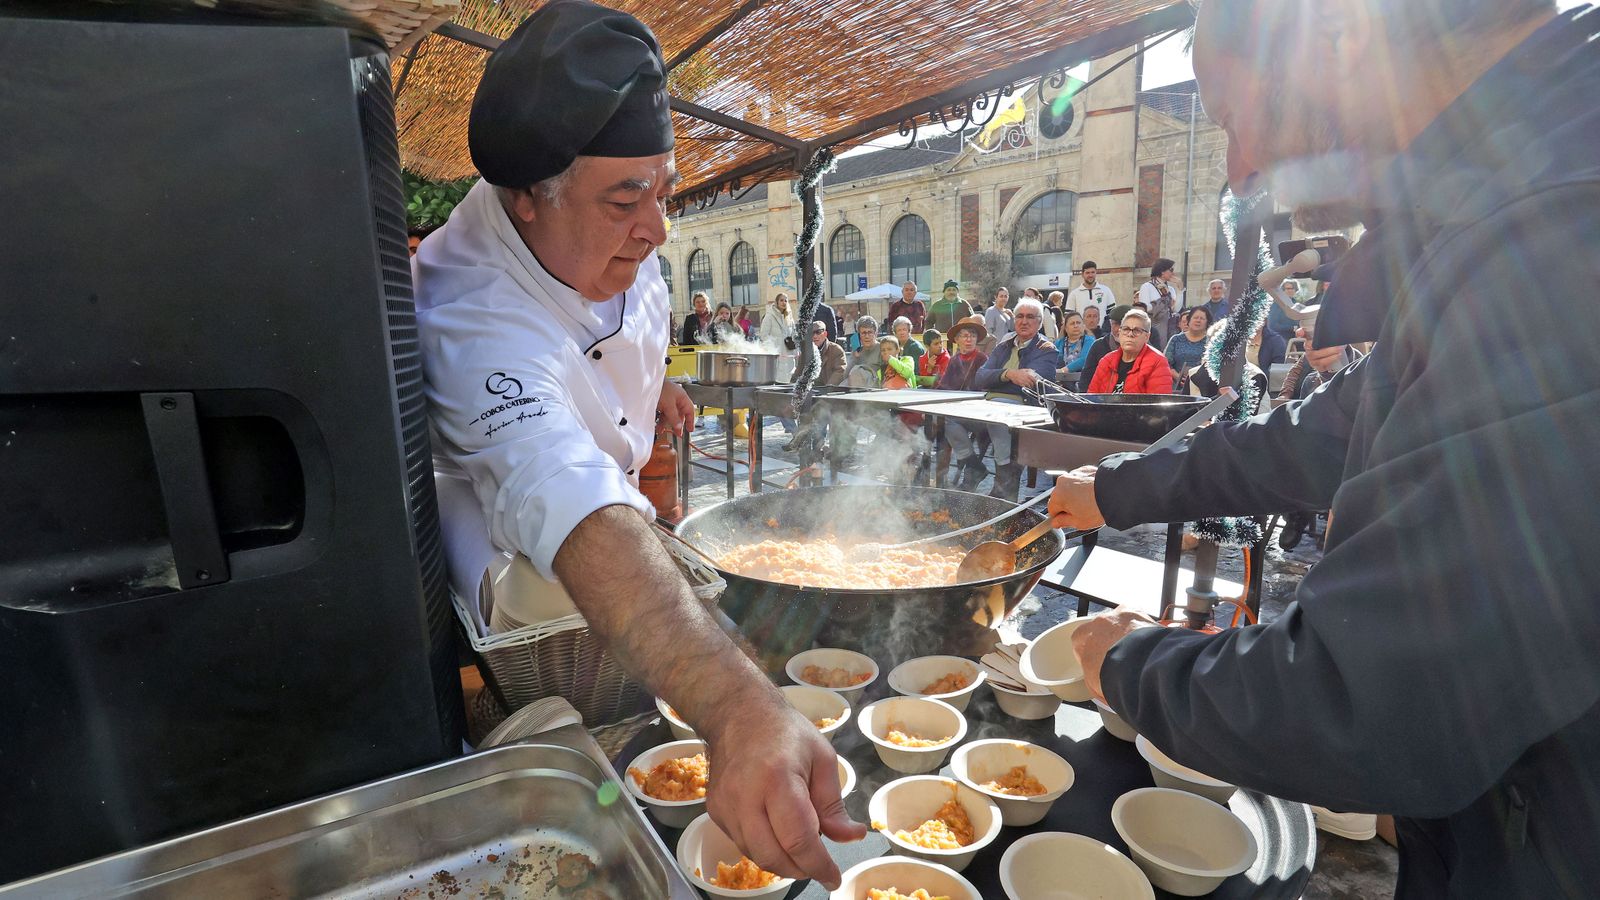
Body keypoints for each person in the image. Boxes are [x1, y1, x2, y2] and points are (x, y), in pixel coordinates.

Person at [1048, 1, 1600, 896]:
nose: (1242, 170)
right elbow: (1322, 431)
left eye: (1233, 117)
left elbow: (1380, 700)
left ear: (1341, 35)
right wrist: (1115, 491)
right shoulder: (1505, 196)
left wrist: (1127, 661)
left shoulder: (1559, 225)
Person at [413, 3, 860, 888]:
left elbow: (628, 329)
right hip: (533, 622)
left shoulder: (616, 233)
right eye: (627, 198)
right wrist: (737, 711)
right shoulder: (466, 312)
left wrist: (657, 390)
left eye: (665, 187)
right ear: (525, 200)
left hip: (632, 580)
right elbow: (560, 484)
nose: (657, 228)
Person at [948, 298, 1059, 498]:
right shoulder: (1004, 345)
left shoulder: (1046, 349)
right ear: (1014, 320)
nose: (1024, 321)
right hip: (988, 403)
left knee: (998, 417)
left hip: (1021, 407)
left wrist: (999, 377)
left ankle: (1003, 479)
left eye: (1030, 317)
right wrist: (1010, 374)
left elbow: (1033, 382)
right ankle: (972, 464)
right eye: (1020, 316)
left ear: (1040, 322)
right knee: (946, 417)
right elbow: (981, 377)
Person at [1086, 307, 1172, 394]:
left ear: (1147, 337)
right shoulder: (1106, 361)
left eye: (1137, 330)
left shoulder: (1157, 362)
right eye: (1126, 329)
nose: (1130, 334)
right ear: (1120, 333)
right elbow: (1091, 397)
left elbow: (1157, 404)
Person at [1078, 303, 1128, 392]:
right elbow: (1085, 381)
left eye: (1123, 325)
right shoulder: (1098, 346)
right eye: (1115, 324)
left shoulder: (1143, 347)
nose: (1118, 329)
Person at [1163, 305, 1213, 388]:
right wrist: (1178, 376)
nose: (1198, 320)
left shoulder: (1210, 341)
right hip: (1176, 386)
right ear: (1189, 321)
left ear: (1207, 322)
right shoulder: (1176, 339)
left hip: (1202, 387)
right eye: (1195, 317)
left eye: (1202, 318)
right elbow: (1166, 363)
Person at [1137, 258, 1182, 347]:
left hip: (1169, 327)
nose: (1173, 273)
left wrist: (1180, 290)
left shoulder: (1171, 289)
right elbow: (1144, 308)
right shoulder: (1147, 286)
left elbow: (1176, 309)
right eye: (1171, 270)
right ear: (1162, 271)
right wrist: (1164, 302)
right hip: (1154, 327)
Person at [1056, 310, 1093, 388]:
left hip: (1083, 383)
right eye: (1072, 323)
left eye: (1078, 323)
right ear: (1066, 328)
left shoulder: (1090, 341)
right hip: (1061, 384)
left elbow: (1084, 359)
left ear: (1083, 326)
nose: (1076, 326)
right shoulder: (1059, 343)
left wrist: (1063, 370)